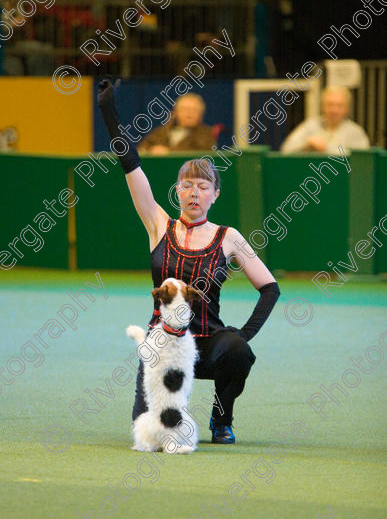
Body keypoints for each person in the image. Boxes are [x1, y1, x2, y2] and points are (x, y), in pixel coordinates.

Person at [98, 79, 280, 444]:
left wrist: (242, 335)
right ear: (177, 191)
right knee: (147, 430)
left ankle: (221, 417)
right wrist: (109, 111)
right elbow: (130, 164)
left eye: (202, 186)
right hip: (162, 344)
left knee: (238, 352)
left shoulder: (229, 237)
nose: (194, 192)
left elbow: (270, 289)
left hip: (207, 344)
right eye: (187, 185)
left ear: (214, 194)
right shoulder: (158, 224)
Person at [280, 86, 370, 155]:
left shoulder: (355, 132)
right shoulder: (311, 125)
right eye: (330, 105)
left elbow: (362, 160)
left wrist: (326, 149)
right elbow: (285, 150)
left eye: (339, 106)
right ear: (323, 107)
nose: (334, 110)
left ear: (347, 109)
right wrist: (306, 144)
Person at [138, 93, 217, 155]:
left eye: (194, 110)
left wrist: (169, 153)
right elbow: (142, 149)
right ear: (176, 112)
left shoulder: (207, 135)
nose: (189, 114)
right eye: (185, 109)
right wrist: (150, 151)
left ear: (201, 115)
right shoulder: (161, 132)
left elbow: (201, 156)